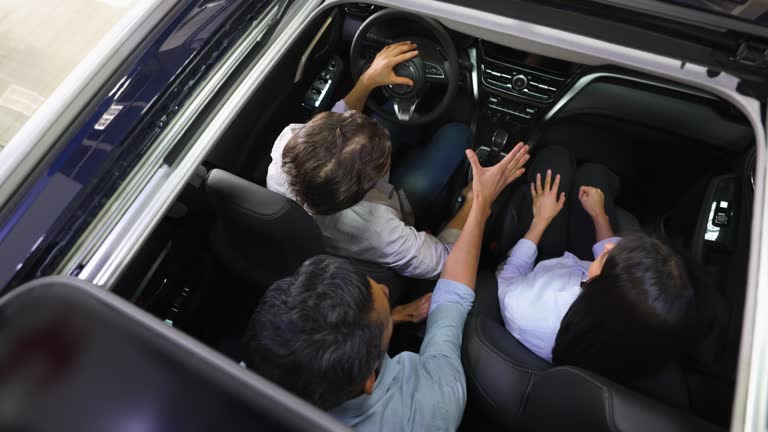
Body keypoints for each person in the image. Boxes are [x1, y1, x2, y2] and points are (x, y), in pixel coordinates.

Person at [245, 143, 530, 431]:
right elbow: (452, 298)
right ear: (368, 380)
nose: (384, 289)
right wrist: (480, 202)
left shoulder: (249, 373)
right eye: (383, 314)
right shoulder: (431, 407)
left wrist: (390, 317)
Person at [267, 42, 474, 281]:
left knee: (391, 110)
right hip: (394, 204)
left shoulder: (288, 142)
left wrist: (367, 81)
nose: (381, 130)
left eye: (348, 120)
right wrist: (475, 201)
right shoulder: (379, 230)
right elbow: (444, 263)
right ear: (373, 182)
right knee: (458, 134)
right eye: (382, 157)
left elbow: (339, 119)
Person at [496, 145, 694, 382]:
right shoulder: (625, 322)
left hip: (539, 270)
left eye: (612, 257)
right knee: (592, 177)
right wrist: (599, 215)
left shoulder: (526, 306)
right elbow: (617, 266)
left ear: (603, 291)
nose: (609, 247)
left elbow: (509, 274)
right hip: (580, 269)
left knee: (555, 163)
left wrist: (540, 221)